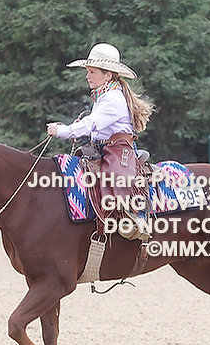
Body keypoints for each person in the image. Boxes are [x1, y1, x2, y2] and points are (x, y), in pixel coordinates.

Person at [47, 43, 154, 241]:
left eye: (92, 72)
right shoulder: (103, 95)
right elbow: (95, 125)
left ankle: (135, 217)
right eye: (87, 71)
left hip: (118, 149)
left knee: (116, 176)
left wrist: (63, 131)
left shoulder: (113, 98)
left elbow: (92, 123)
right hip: (102, 147)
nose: (87, 76)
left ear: (108, 75)